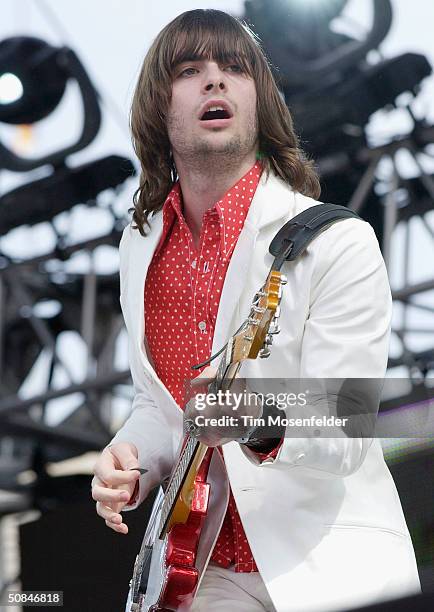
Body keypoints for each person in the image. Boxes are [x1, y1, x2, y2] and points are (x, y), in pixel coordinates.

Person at [91, 9, 421, 612]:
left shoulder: (334, 241)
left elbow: (346, 419)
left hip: (326, 568)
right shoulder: (139, 249)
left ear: (259, 102)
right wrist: (131, 457)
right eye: (190, 70)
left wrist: (258, 416)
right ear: (157, 109)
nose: (214, 80)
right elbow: (161, 406)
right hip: (201, 568)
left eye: (233, 68)